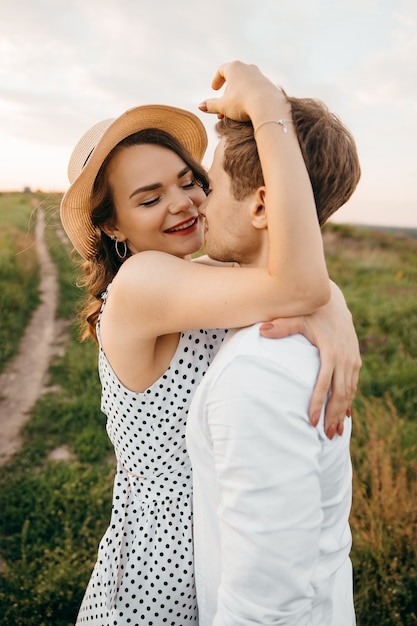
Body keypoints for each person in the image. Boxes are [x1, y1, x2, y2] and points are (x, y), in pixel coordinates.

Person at [60, 61, 360, 625]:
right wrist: (269, 110)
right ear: (115, 228)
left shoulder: (193, 278)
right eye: (149, 199)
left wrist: (329, 301)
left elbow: (284, 281)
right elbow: (294, 283)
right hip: (162, 557)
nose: (185, 202)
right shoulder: (143, 285)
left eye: (191, 180)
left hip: (215, 536)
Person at [186, 88, 361, 625]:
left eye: (211, 184)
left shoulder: (258, 372)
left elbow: (267, 603)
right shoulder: (291, 322)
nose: (198, 201)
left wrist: (262, 99)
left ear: (262, 204)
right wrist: (328, 298)